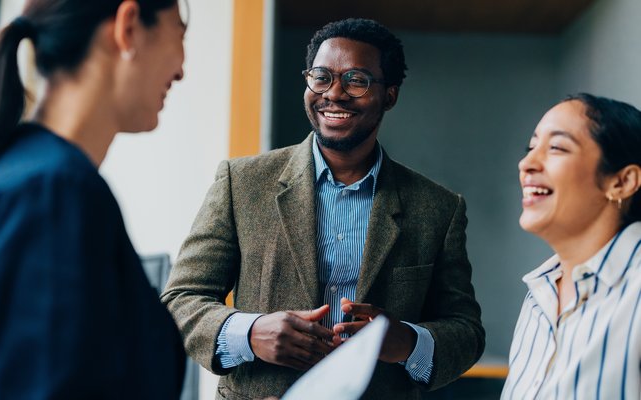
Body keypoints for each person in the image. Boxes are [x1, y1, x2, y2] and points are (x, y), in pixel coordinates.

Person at [162, 18, 484, 399]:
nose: (335, 93)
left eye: (357, 80)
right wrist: (250, 333)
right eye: (321, 77)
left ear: (390, 94)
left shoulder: (437, 208)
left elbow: (466, 331)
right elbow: (180, 302)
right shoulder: (242, 183)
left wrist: (406, 341)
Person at [0, 0, 188, 398]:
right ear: (127, 28)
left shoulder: (34, 180)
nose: (180, 69)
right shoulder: (51, 195)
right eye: (179, 32)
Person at [501, 93, 641, 399]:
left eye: (557, 147)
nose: (526, 163)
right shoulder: (539, 296)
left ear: (622, 182)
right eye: (531, 147)